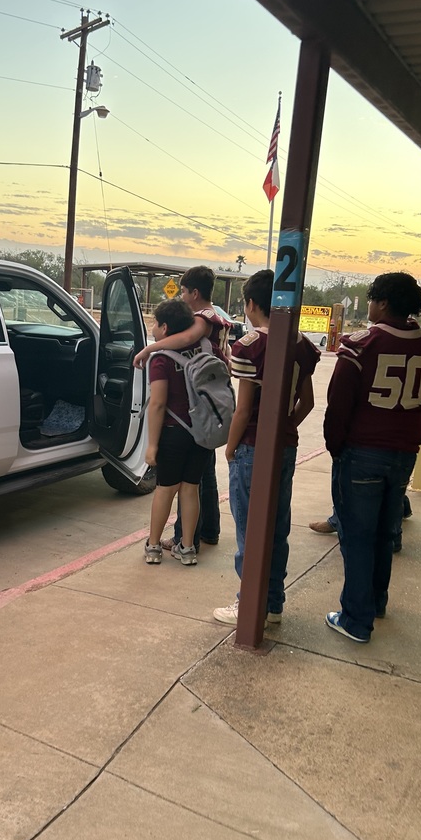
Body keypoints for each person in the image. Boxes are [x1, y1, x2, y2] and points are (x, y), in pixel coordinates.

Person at [323, 272, 421, 643]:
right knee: (383, 532)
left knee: (356, 535)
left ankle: (356, 619)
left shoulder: (361, 345)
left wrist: (337, 447)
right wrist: (411, 438)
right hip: (403, 453)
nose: (370, 306)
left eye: (372, 299)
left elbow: (338, 404)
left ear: (383, 303)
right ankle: (376, 600)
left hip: (362, 451)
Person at [212, 269, 319, 626]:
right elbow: (307, 402)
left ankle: (248, 603)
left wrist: (230, 448)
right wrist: (285, 427)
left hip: (252, 446)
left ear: (252, 304)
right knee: (277, 526)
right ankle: (273, 602)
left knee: (249, 528)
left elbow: (243, 410)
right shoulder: (301, 344)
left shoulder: (251, 345)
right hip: (284, 446)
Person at [135, 266, 231, 552]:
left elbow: (185, 341)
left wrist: (150, 349)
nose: (182, 297)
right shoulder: (220, 319)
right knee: (199, 482)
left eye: (184, 291)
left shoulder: (202, 320)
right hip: (205, 414)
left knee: (176, 487)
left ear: (195, 292)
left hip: (183, 422)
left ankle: (177, 539)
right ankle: (199, 537)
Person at [143, 298, 212, 566]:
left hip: (174, 432)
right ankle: (188, 548)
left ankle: (153, 547)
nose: (152, 328)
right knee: (190, 489)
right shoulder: (207, 347)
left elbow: (158, 404)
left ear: (165, 328)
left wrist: (152, 445)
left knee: (165, 489)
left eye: (154, 323)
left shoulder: (161, 359)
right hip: (203, 431)